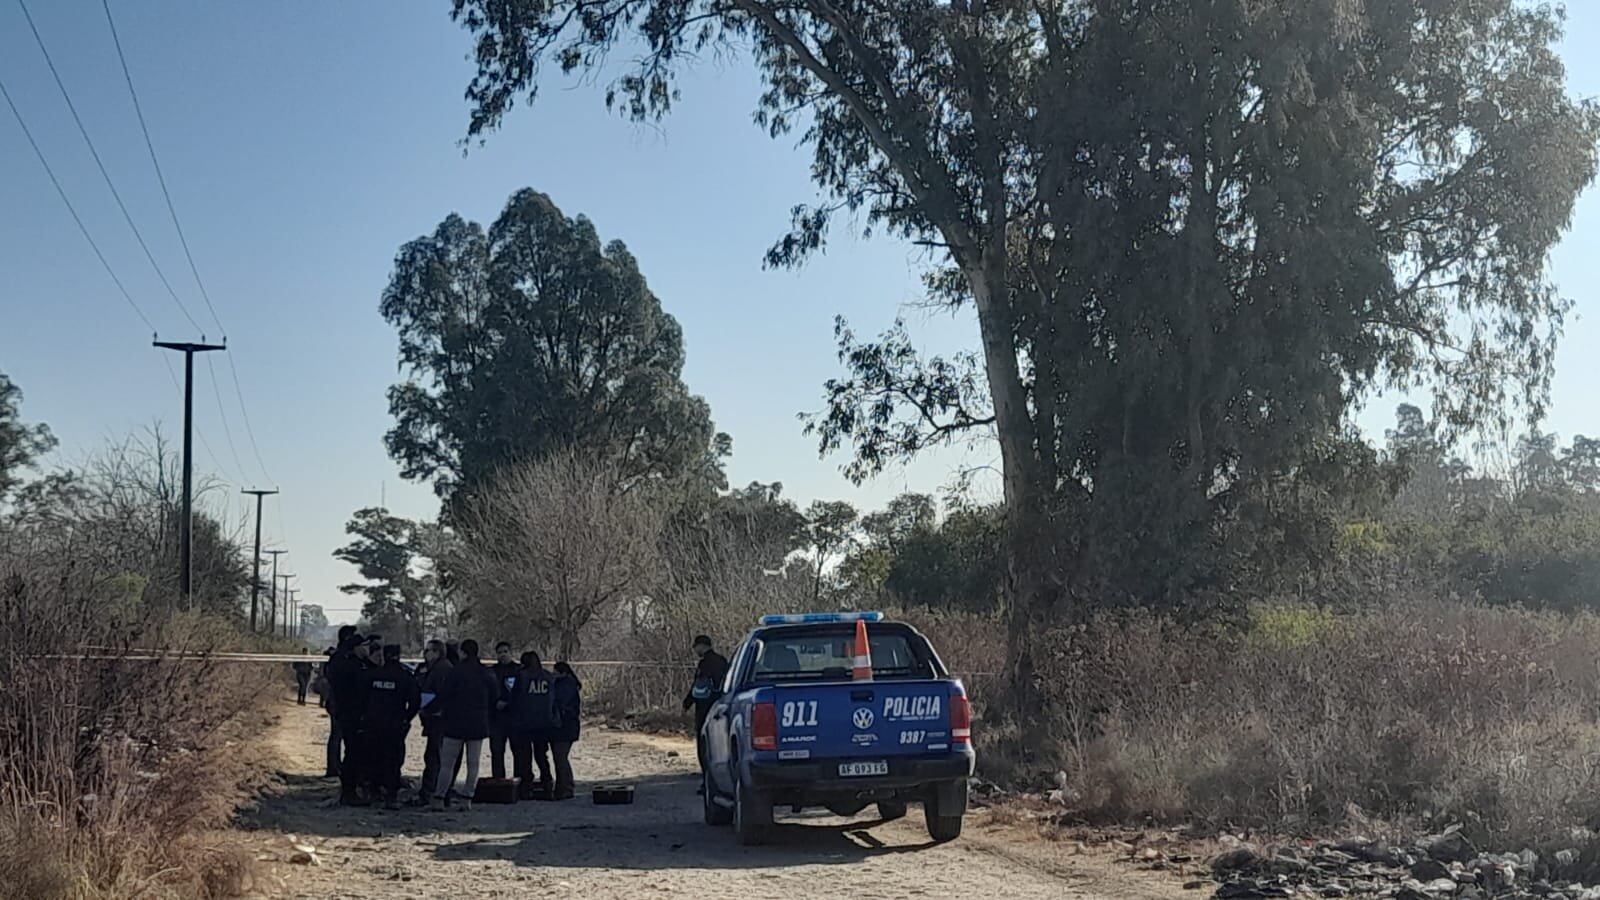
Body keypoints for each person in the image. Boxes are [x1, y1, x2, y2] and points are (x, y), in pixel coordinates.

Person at [431, 639, 501, 811]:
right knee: (473, 764)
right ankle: (467, 799)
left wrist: (431, 709)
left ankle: (439, 797)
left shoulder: (455, 672)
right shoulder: (486, 673)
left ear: (462, 652)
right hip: (478, 723)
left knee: (447, 763)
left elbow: (444, 695)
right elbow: (495, 696)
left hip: (454, 723)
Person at [363, 644, 422, 809]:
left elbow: (362, 697)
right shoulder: (405, 677)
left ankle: (374, 793)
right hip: (395, 725)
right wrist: (407, 718)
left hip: (373, 723)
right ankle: (391, 796)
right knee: (393, 760)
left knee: (374, 758)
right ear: (398, 655)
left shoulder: (373, 675)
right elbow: (416, 701)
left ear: (385, 655)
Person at [325, 628, 374, 805]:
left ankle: (350, 790)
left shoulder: (343, 662)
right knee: (353, 753)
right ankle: (349, 792)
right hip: (352, 714)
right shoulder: (352, 666)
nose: (367, 649)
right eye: (364, 646)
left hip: (346, 713)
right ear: (356, 647)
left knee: (352, 752)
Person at [507, 650, 557, 800]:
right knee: (542, 756)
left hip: (525, 723)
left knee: (525, 757)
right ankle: (547, 785)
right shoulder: (548, 677)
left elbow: (515, 698)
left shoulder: (521, 676)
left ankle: (526, 788)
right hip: (544, 722)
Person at [683, 634, 729, 791]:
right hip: (721, 707)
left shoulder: (704, 664)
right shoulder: (723, 661)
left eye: (696, 646)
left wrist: (687, 703)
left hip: (704, 709)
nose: (695, 650)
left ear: (702, 646)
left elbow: (697, 687)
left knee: (704, 747)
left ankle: (708, 782)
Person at [413, 639, 454, 805]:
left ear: (437, 652)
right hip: (432, 718)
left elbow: (443, 694)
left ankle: (432, 792)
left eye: (429, 650)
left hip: (439, 719)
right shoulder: (428, 669)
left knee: (435, 757)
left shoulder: (443, 670)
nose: (426, 653)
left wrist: (432, 708)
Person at [550, 661, 581, 801]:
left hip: (564, 727)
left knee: (560, 758)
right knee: (560, 758)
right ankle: (564, 786)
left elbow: (559, 703)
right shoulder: (570, 685)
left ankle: (565, 787)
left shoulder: (564, 686)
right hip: (567, 727)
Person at [488, 641, 519, 780]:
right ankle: (498, 781)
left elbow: (521, 693)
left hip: (515, 718)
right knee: (497, 751)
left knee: (518, 751)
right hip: (496, 719)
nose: (503, 655)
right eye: (500, 652)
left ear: (511, 653)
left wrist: (508, 703)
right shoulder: (491, 672)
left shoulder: (519, 671)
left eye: (505, 651)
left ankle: (519, 781)